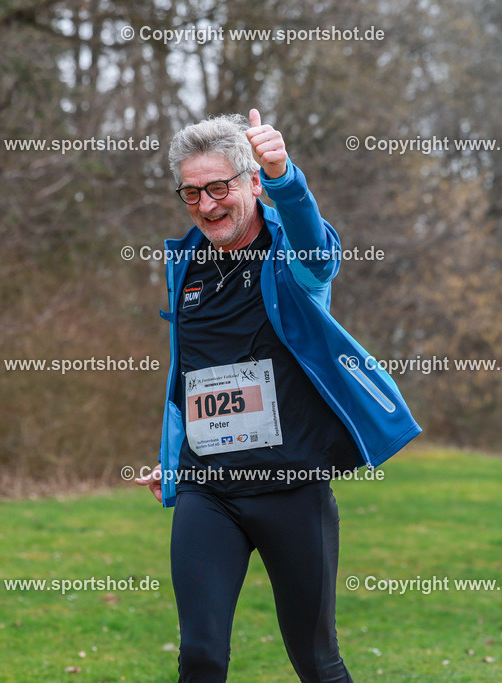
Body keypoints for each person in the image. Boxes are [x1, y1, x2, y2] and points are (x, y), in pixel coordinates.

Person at [136, 109, 420, 682]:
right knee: (201, 656)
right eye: (191, 193)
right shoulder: (185, 263)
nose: (207, 205)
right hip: (207, 490)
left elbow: (317, 247)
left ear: (251, 183)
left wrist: (286, 175)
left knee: (316, 661)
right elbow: (191, 378)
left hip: (292, 488)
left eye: (219, 187)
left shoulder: (292, 258)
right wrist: (173, 459)